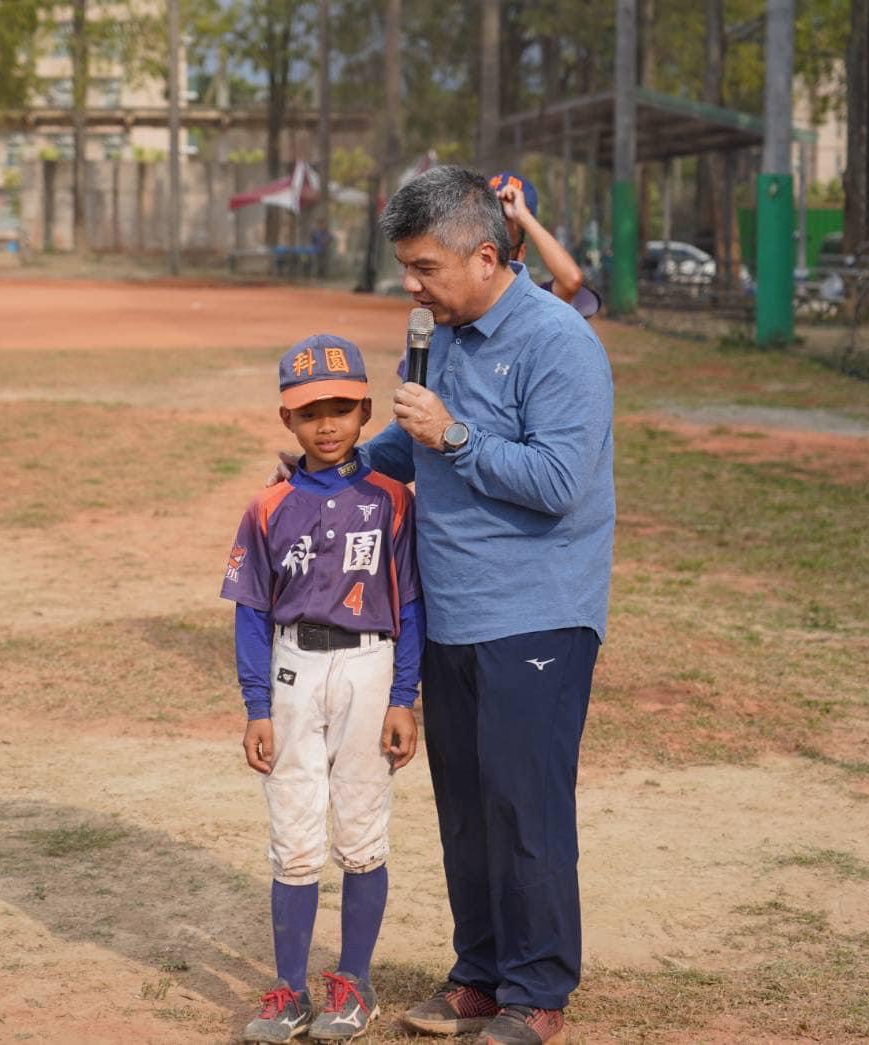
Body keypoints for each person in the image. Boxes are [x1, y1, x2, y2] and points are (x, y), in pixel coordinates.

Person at [370, 167, 614, 1045]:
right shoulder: (441, 336)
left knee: (525, 805)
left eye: (424, 267)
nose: (411, 285)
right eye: (404, 266)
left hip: (538, 613)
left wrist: (454, 435)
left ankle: (536, 993)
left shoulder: (559, 343)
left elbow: (556, 482)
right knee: (467, 804)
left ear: (484, 254)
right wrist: (341, 468)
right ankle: (478, 973)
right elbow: (409, 436)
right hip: (454, 611)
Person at [223, 335, 425, 1043]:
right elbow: (250, 609)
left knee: (362, 828)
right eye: (311, 412)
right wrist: (255, 706)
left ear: (367, 410)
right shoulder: (267, 505)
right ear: (287, 420)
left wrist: (405, 694)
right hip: (291, 668)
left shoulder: (392, 499)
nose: (327, 423)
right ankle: (289, 987)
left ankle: (355, 982)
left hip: (370, 665)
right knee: (294, 835)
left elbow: (410, 606)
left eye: (342, 407)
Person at [488, 171, 602, 319]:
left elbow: (571, 280)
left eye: (501, 242)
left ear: (520, 254)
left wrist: (522, 216)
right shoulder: (461, 289)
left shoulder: (529, 303)